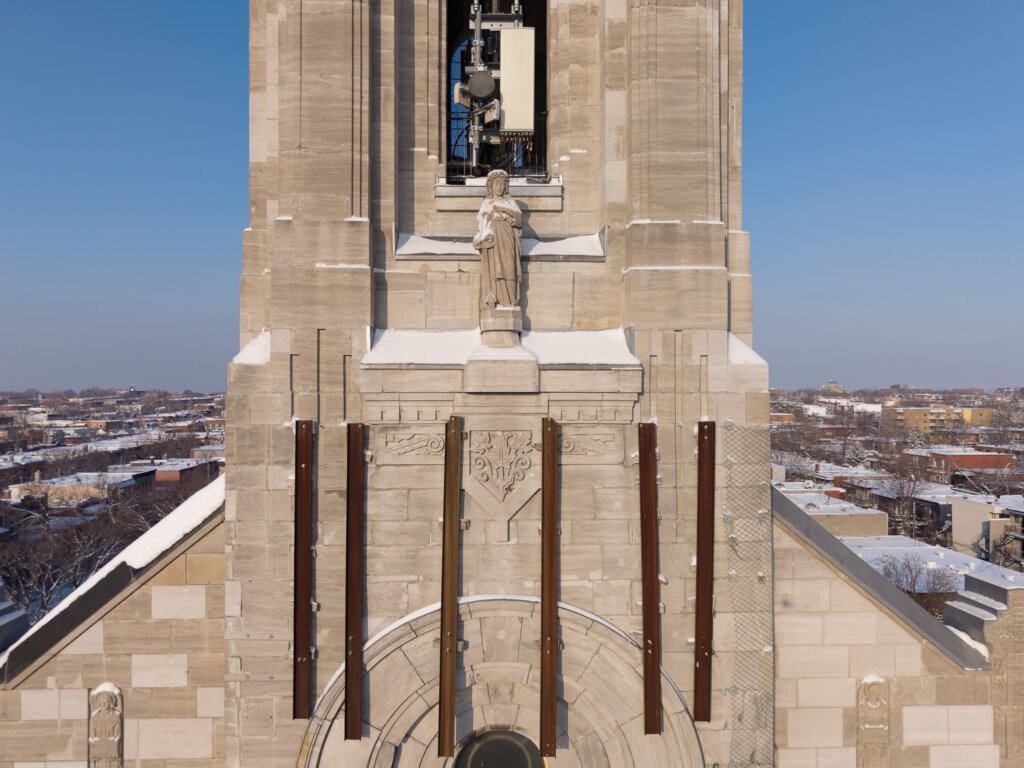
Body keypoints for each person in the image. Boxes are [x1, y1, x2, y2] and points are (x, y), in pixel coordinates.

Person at [473, 169, 523, 308]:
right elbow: (481, 223)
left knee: (509, 268)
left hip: (508, 238)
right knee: (496, 269)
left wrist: (504, 210)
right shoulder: (487, 203)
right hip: (494, 240)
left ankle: (511, 301)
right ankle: (498, 301)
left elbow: (519, 219)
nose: (500, 187)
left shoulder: (510, 202)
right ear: (491, 186)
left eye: (502, 184)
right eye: (496, 184)